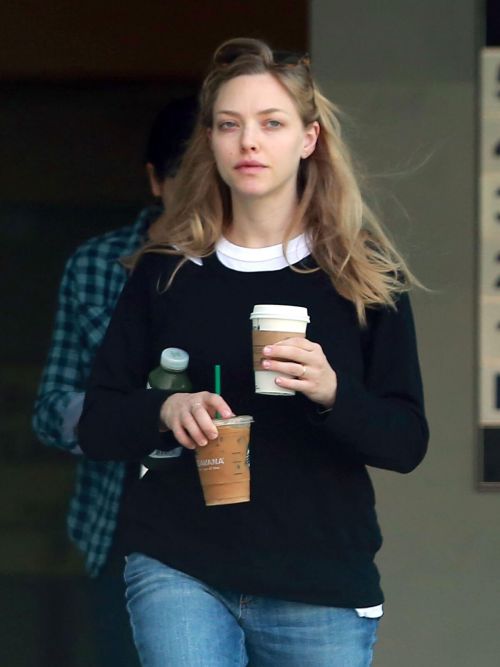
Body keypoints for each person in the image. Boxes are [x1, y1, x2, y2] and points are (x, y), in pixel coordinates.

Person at [78, 38, 429, 667]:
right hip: (179, 559)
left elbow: (405, 442)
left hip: (320, 576)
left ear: (309, 139)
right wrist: (166, 409)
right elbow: (99, 420)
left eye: (271, 123)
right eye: (229, 125)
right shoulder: (166, 271)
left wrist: (332, 392)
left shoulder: (362, 274)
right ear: (208, 141)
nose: (248, 142)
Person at [32, 95, 197, 666]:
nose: (203, 201)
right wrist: (132, 412)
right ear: (155, 180)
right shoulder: (99, 263)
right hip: (124, 527)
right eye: (186, 180)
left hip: (237, 523)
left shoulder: (256, 265)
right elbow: (51, 408)